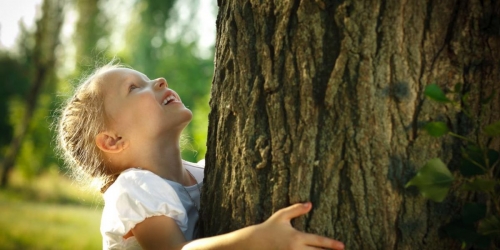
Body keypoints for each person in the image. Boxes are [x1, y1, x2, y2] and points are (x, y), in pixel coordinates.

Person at [56, 61, 345, 250]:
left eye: (146, 78)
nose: (158, 80)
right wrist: (259, 240)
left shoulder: (209, 171)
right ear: (113, 140)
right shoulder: (134, 191)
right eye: (134, 87)